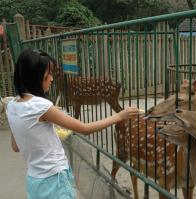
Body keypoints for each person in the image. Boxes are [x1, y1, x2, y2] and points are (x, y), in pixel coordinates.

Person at [6, 48, 139, 199]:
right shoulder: (41, 106)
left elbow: (15, 146)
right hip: (55, 179)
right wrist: (120, 116)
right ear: (34, 78)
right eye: (47, 75)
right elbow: (85, 129)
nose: (52, 79)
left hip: (34, 181)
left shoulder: (12, 105)